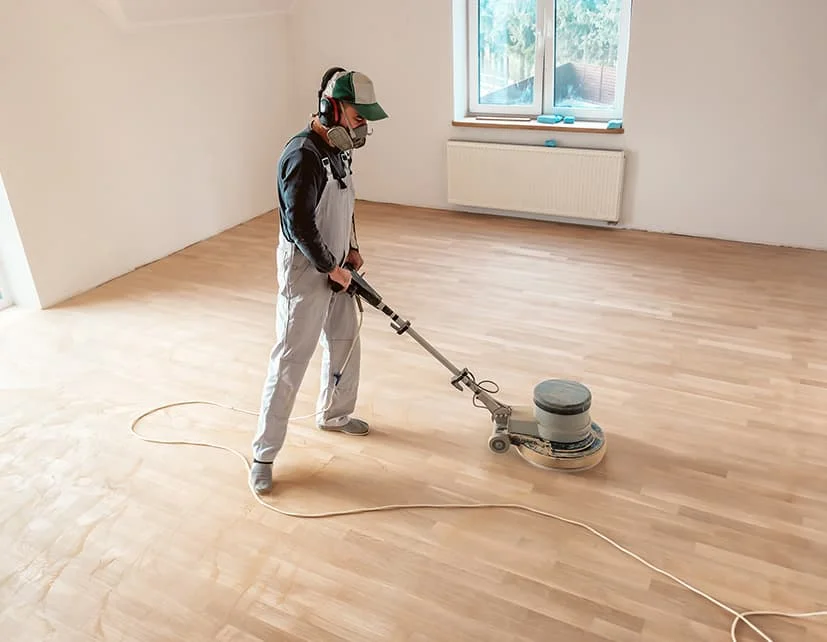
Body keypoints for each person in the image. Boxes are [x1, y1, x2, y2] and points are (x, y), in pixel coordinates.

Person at [250, 67, 388, 494]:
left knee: (345, 343)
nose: (363, 122)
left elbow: (343, 204)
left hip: (336, 263)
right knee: (291, 360)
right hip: (305, 272)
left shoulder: (340, 151)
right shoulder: (302, 157)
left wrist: (351, 247)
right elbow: (300, 225)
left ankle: (335, 414)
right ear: (332, 108)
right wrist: (331, 267)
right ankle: (263, 453)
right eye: (358, 114)